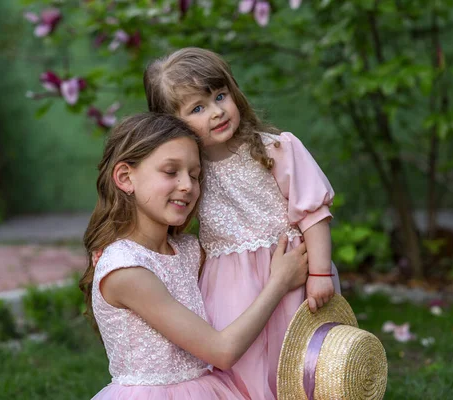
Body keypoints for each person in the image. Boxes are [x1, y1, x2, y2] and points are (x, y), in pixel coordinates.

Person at [144, 47, 342, 399]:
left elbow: (313, 214)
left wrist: (321, 273)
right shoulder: (190, 174)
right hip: (227, 291)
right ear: (173, 124)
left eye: (220, 96)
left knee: (298, 363)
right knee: (243, 369)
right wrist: (120, 245)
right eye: (198, 108)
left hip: (292, 276)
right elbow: (161, 218)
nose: (217, 112)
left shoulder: (274, 150)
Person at [80, 112, 310, 399]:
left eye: (195, 175)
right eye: (170, 171)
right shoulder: (126, 271)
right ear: (126, 177)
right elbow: (222, 352)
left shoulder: (187, 249)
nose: (187, 185)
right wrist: (279, 282)